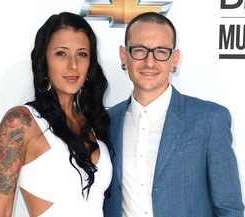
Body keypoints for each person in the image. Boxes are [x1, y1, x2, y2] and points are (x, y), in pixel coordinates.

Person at [103, 12, 244, 217]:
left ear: (174, 59)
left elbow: (229, 209)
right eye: (140, 50)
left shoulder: (210, 120)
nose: (150, 62)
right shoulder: (107, 122)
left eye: (161, 51)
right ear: (124, 55)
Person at [0, 12, 112, 217]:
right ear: (43, 60)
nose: (73, 65)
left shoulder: (95, 122)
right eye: (61, 53)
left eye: (82, 54)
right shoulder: (21, 122)